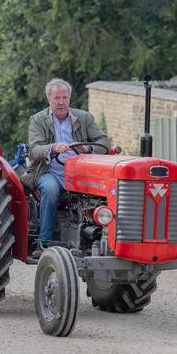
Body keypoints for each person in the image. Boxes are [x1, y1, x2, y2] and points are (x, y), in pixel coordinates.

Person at [25, 78, 109, 257]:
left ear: (69, 99)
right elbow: (34, 150)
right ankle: (44, 243)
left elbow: (103, 141)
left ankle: (100, 241)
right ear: (49, 99)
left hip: (79, 173)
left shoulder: (84, 118)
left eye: (64, 97)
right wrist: (53, 147)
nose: (61, 102)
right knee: (51, 189)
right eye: (57, 98)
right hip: (49, 171)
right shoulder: (38, 120)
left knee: (103, 192)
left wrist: (88, 148)